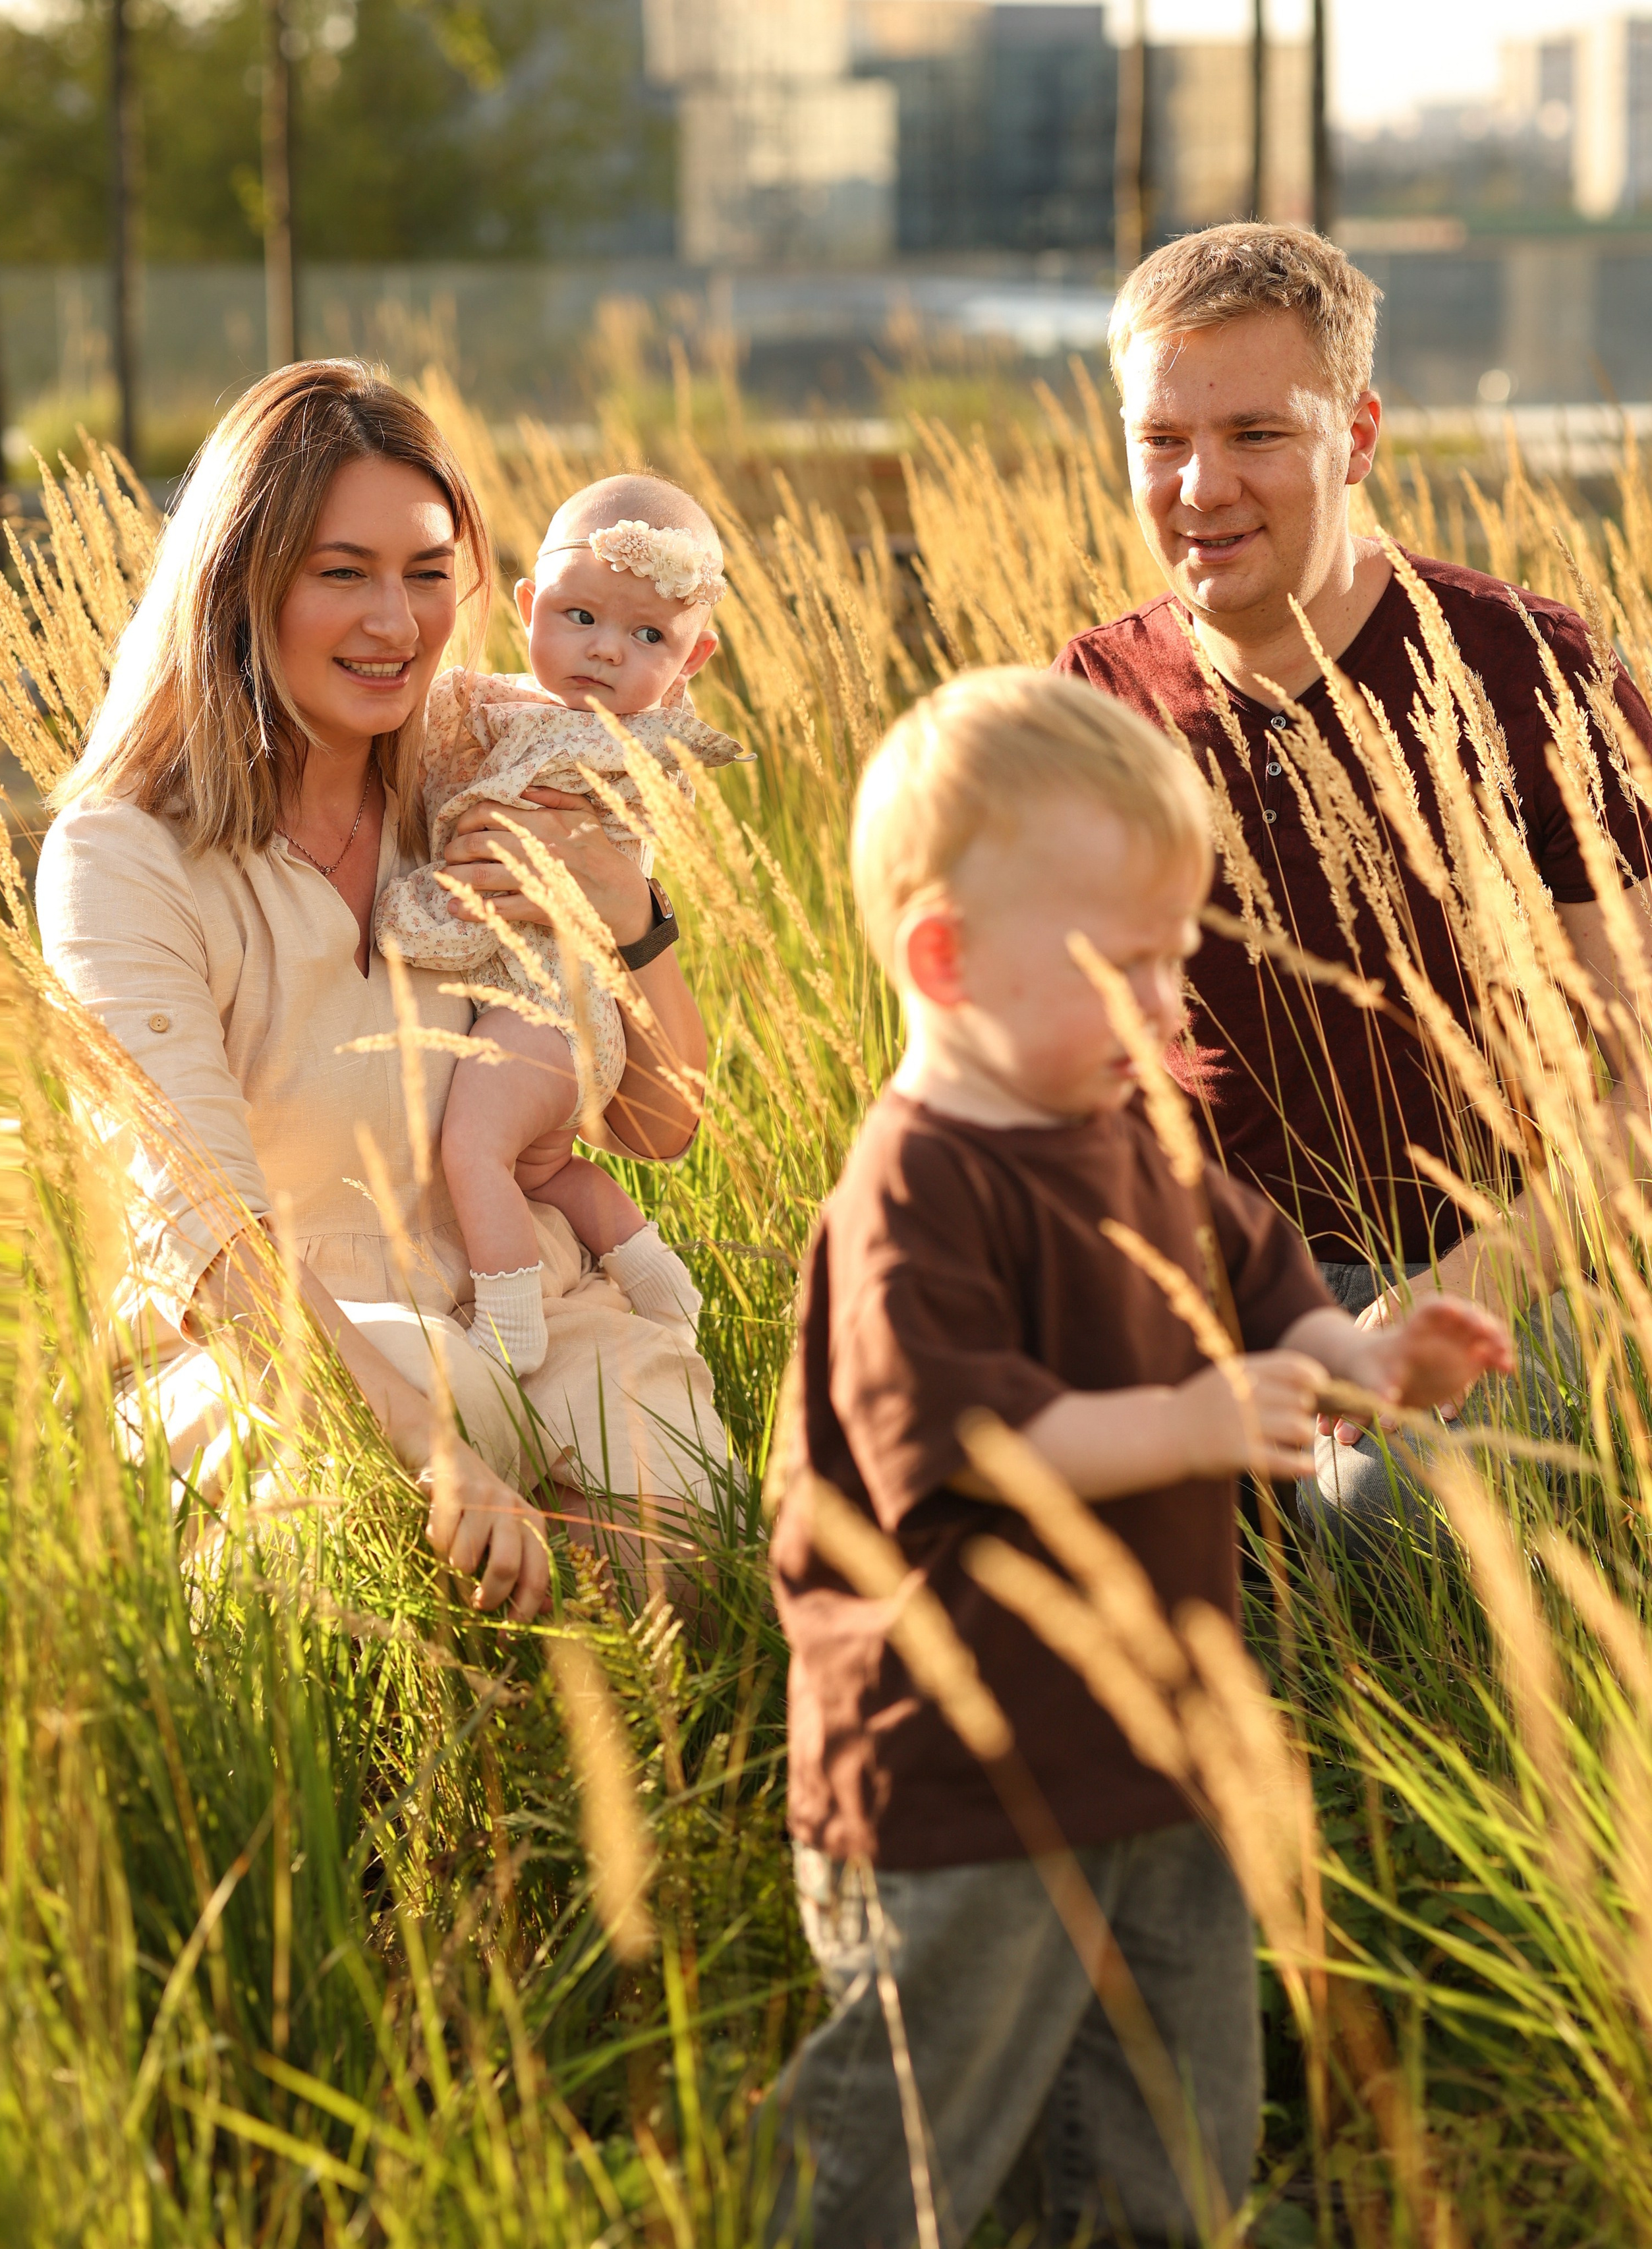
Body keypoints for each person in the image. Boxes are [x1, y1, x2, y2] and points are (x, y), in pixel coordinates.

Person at [766, 668, 1510, 2248]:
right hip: (957, 1781)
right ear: (941, 958)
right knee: (915, 2141)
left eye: (1180, 957)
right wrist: (1188, 1420)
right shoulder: (914, 1189)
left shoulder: (1140, 1133)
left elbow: (1266, 1297)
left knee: (1172, 2122)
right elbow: (960, 1437)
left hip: (1160, 1746)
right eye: (1123, 968)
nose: (1171, 1008)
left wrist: (1367, 1366)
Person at [36, 362, 727, 1617]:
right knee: (378, 1587)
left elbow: (661, 1129)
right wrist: (439, 1453)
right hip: (276, 1344)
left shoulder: (486, 762)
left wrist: (630, 917)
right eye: (341, 572)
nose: (395, 624)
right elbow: (211, 1239)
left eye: (424, 573)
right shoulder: (123, 856)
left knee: (678, 1568)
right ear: (240, 584)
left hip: (535, 1304)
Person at [1052, 221, 1652, 1542]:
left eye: (1255, 434)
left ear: (1358, 437)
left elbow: (1641, 1090)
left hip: (1485, 1278)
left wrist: (1444, 1302)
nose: (1199, 487)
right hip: (1196, 1298)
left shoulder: (1525, 676)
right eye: (1161, 440)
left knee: (1359, 1521)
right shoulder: (1088, 704)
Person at [374, 474, 742, 1378]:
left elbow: (486, 838)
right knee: (541, 1168)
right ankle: (651, 1267)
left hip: (545, 1000)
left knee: (476, 1145)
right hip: (564, 1017)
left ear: (692, 663)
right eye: (580, 618)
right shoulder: (535, 709)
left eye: (649, 635)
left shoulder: (614, 742)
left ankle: (507, 1316)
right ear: (531, 606)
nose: (607, 654)